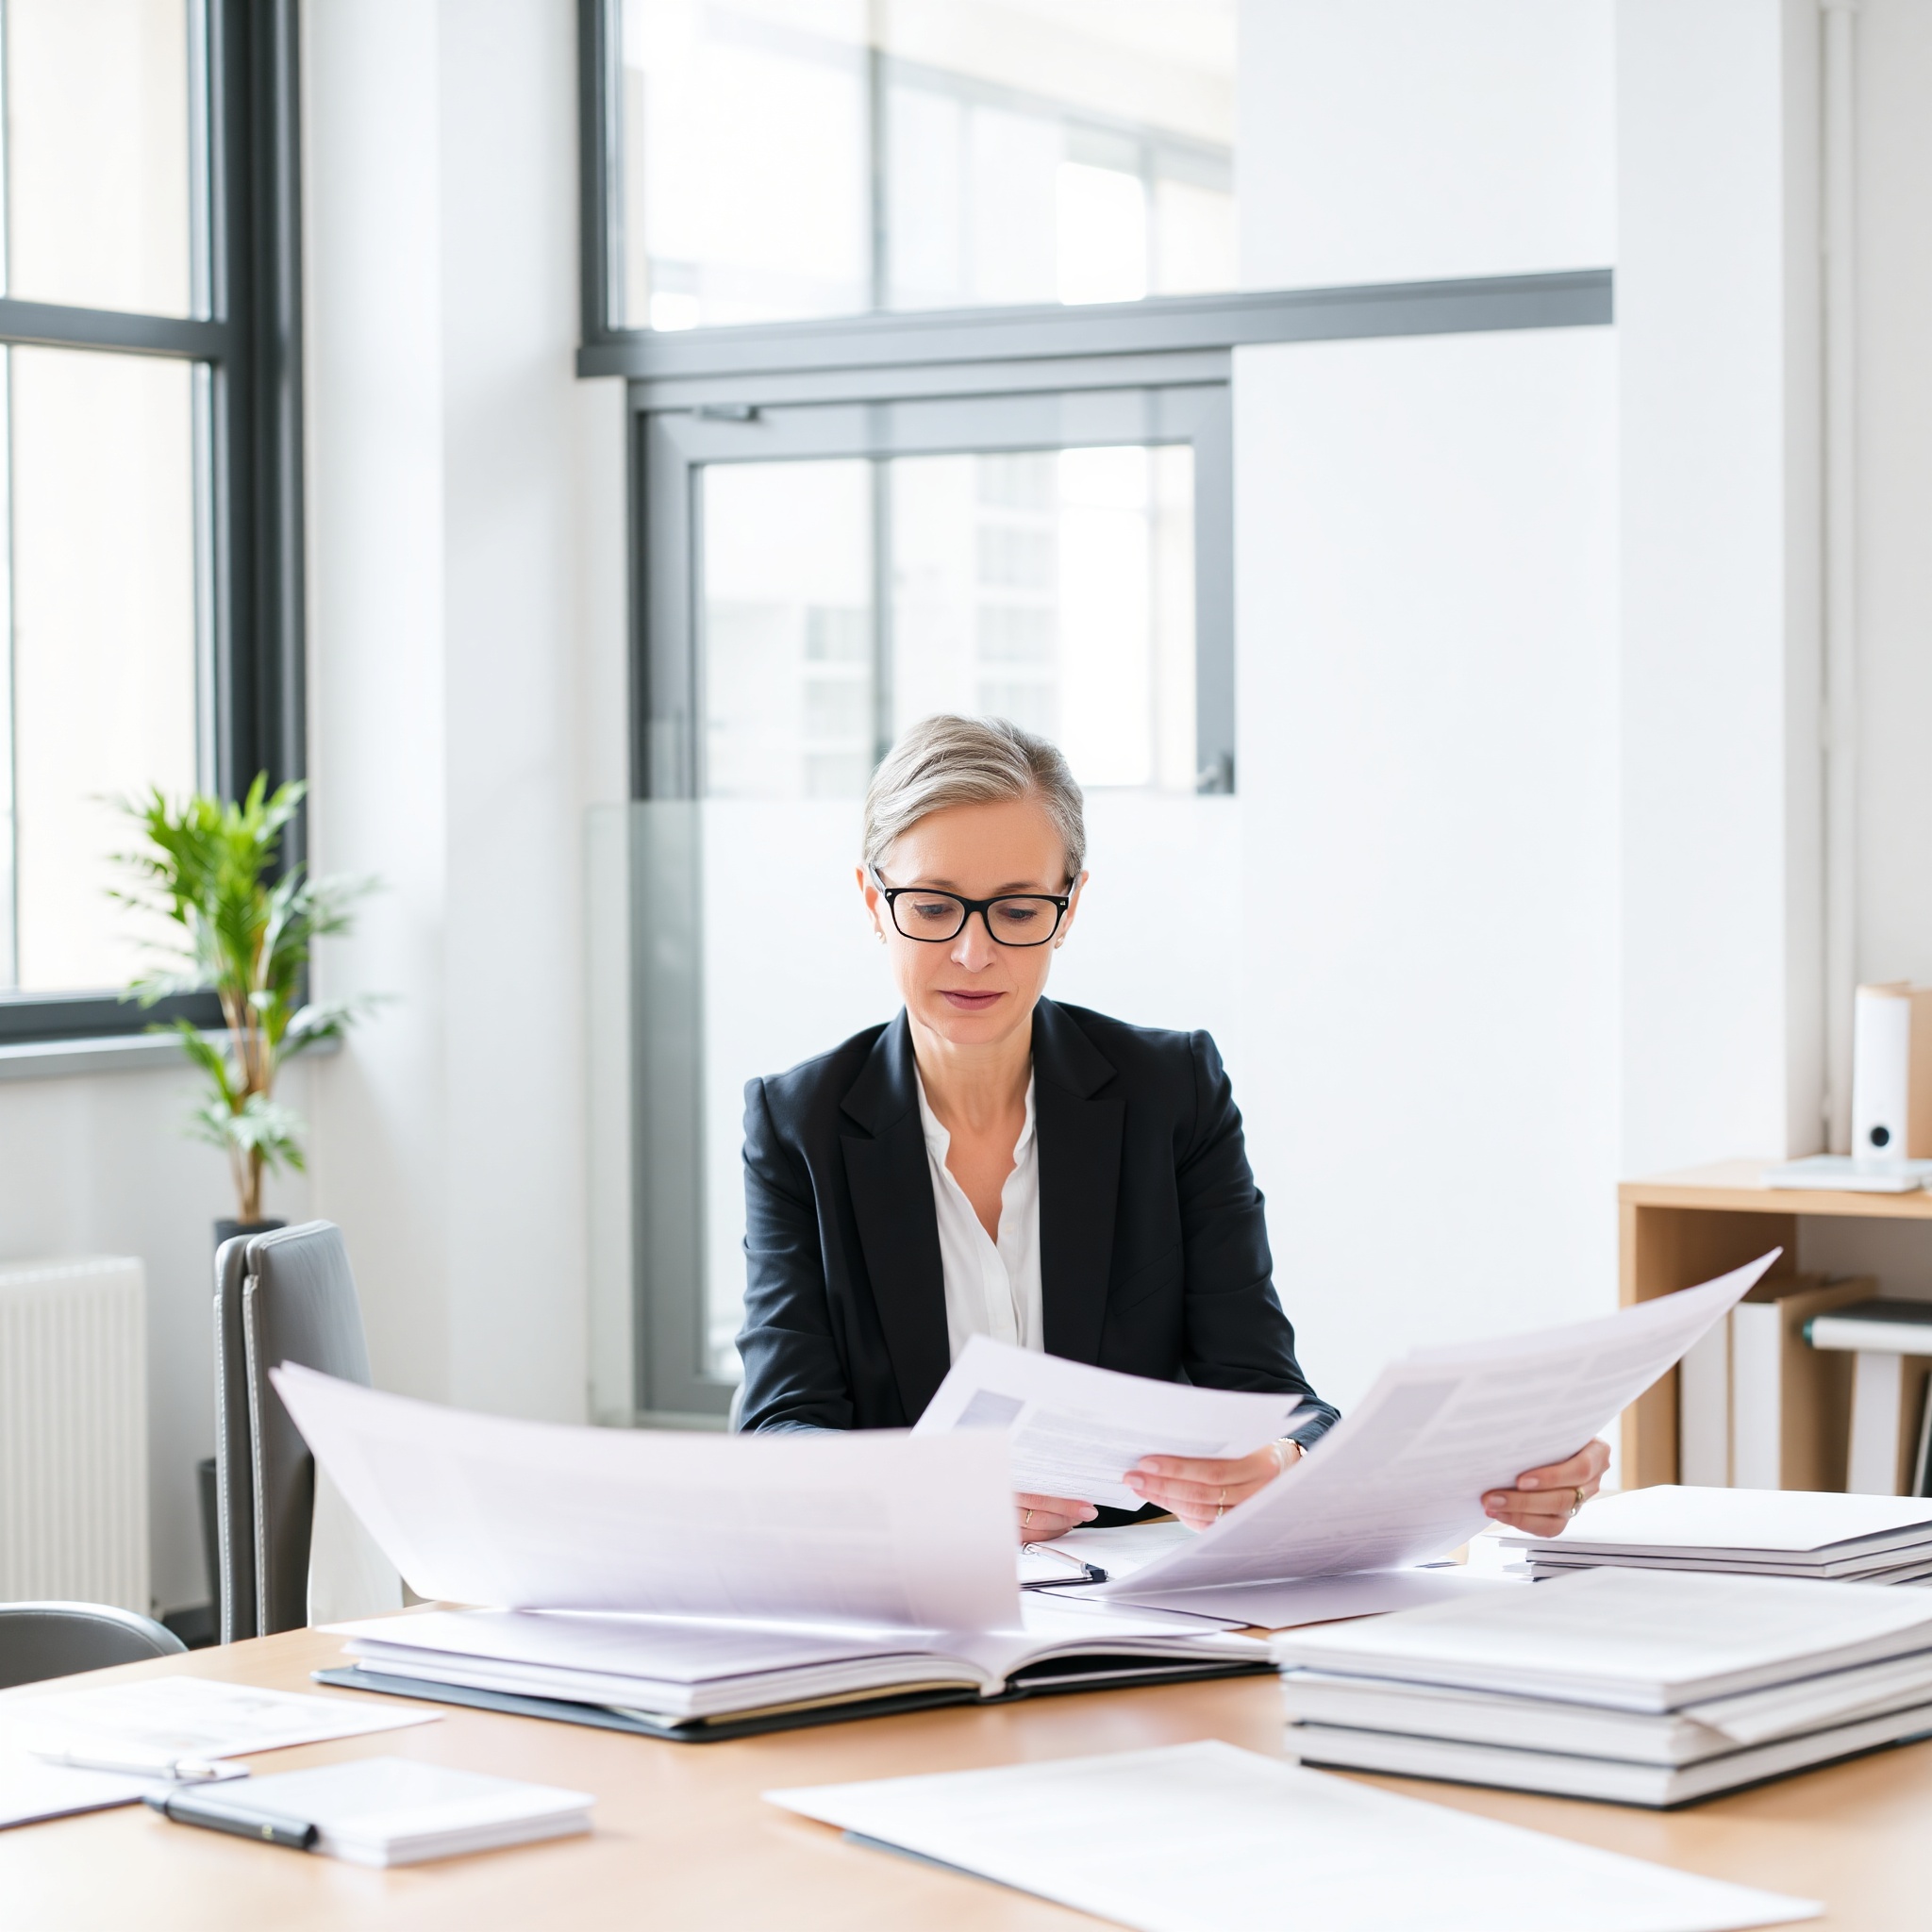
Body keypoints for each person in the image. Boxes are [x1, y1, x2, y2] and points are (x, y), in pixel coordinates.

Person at [734, 715, 1608, 1541]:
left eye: (1018, 909)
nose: (975, 952)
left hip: (1144, 1601)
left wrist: (1286, 1462)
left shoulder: (1170, 1094)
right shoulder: (798, 1126)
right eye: (932, 907)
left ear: (1068, 908)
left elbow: (1269, 1393)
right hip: (914, 1597)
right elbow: (779, 1429)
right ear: (871, 899)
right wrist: (934, 1492)